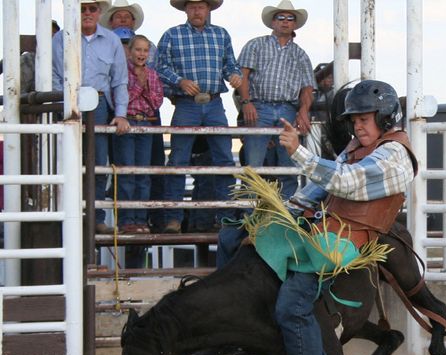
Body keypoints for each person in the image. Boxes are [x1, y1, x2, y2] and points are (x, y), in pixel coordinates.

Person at [264, 80, 417, 355]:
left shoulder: (394, 156)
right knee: (239, 239)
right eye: (355, 120)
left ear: (384, 117)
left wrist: (300, 154)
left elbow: (347, 183)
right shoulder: (356, 148)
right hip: (328, 231)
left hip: (348, 241)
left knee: (292, 304)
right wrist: (280, 213)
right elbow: (320, 189)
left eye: (364, 119)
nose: (357, 126)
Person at [156, 0, 242, 234]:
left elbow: (230, 65)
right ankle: (173, 218)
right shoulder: (171, 35)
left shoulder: (221, 35)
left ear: (208, 9)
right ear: (186, 9)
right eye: (192, 6)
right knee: (178, 160)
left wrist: (234, 76)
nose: (197, 10)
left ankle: (225, 216)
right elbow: (159, 67)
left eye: (201, 6)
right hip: (186, 104)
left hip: (214, 101)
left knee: (224, 159)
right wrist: (179, 81)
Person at [52, 0, 130, 234]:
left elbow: (120, 80)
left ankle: (95, 217)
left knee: (97, 163)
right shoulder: (60, 39)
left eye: (92, 8)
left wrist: (120, 114)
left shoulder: (112, 40)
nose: (87, 13)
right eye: (82, 8)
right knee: (65, 161)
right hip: (68, 103)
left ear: (99, 12)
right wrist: (62, 105)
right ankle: (67, 213)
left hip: (98, 105)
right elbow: (55, 76)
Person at [237, 0, 315, 196]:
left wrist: (303, 110)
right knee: (253, 166)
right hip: (259, 106)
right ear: (273, 22)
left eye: (290, 18)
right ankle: (248, 217)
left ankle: (285, 215)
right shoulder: (255, 45)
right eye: (281, 17)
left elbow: (307, 88)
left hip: (288, 109)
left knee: (288, 166)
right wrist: (246, 103)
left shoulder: (301, 55)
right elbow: (242, 76)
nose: (285, 22)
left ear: (295, 25)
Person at [113, 34, 163, 234]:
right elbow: (120, 96)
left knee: (142, 174)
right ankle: (126, 220)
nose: (141, 54)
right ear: (130, 51)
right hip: (126, 122)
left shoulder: (152, 74)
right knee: (126, 173)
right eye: (138, 49)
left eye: (145, 50)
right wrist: (138, 86)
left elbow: (157, 101)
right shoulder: (121, 72)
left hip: (146, 123)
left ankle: (141, 219)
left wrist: (145, 86)